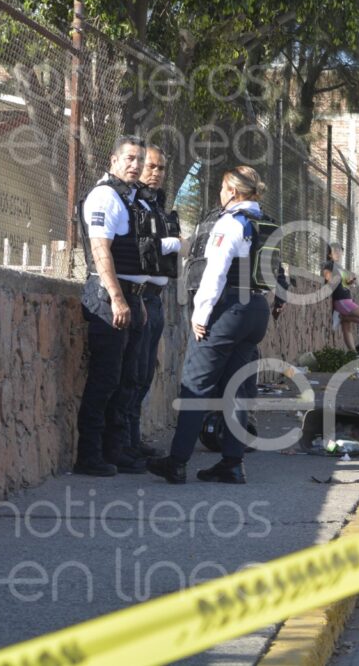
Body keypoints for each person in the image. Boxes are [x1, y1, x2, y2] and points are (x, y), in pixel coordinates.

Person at [147, 166, 275, 484]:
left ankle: (176, 463)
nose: (219, 194)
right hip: (256, 309)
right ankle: (232, 462)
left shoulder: (231, 222)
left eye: (221, 188)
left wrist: (200, 314)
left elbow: (215, 272)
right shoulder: (264, 221)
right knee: (236, 389)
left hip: (228, 308)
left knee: (195, 387)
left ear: (232, 191)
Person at [75, 135, 167, 477]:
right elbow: (101, 252)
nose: (135, 165)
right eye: (129, 158)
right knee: (105, 378)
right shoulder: (105, 196)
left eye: (139, 160)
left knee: (125, 377)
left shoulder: (128, 198)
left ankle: (114, 451)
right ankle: (89, 456)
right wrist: (116, 297)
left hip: (130, 296)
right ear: (113, 160)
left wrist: (135, 299)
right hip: (106, 298)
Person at [128, 145, 181, 459]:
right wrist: (172, 243)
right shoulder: (132, 202)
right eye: (151, 166)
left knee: (146, 372)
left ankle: (133, 439)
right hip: (140, 296)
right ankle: (124, 442)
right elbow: (138, 245)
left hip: (156, 299)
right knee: (133, 373)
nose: (156, 173)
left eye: (161, 168)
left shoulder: (157, 204)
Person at [322, 259, 359, 353]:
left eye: (340, 251)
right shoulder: (329, 265)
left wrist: (351, 281)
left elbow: (346, 284)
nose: (339, 254)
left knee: (347, 330)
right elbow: (328, 282)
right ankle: (343, 317)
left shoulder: (341, 268)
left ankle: (354, 354)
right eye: (336, 251)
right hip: (342, 301)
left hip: (347, 300)